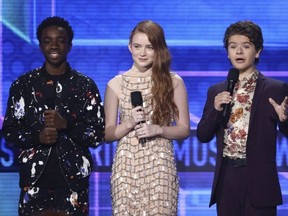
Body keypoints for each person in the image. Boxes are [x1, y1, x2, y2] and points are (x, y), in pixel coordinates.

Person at [2, 16, 105, 215]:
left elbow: (97, 134)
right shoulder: (23, 85)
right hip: (33, 183)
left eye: (60, 40)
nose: (54, 45)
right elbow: (10, 130)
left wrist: (67, 125)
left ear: (69, 45)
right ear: (40, 45)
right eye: (47, 41)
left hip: (73, 184)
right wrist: (36, 137)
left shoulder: (85, 86)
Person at [197, 20, 288, 216]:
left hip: (259, 180)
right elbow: (203, 135)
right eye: (233, 46)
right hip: (227, 179)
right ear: (227, 52)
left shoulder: (275, 89)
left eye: (246, 46)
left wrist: (284, 119)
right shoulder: (217, 90)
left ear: (257, 51)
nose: (239, 51)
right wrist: (214, 109)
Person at [104, 20, 190, 215]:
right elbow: (108, 133)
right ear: (129, 47)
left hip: (160, 166)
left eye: (149, 47)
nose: (142, 53)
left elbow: (184, 128)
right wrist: (129, 123)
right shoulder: (116, 84)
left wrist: (159, 129)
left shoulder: (173, 82)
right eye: (137, 46)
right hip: (126, 168)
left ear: (159, 48)